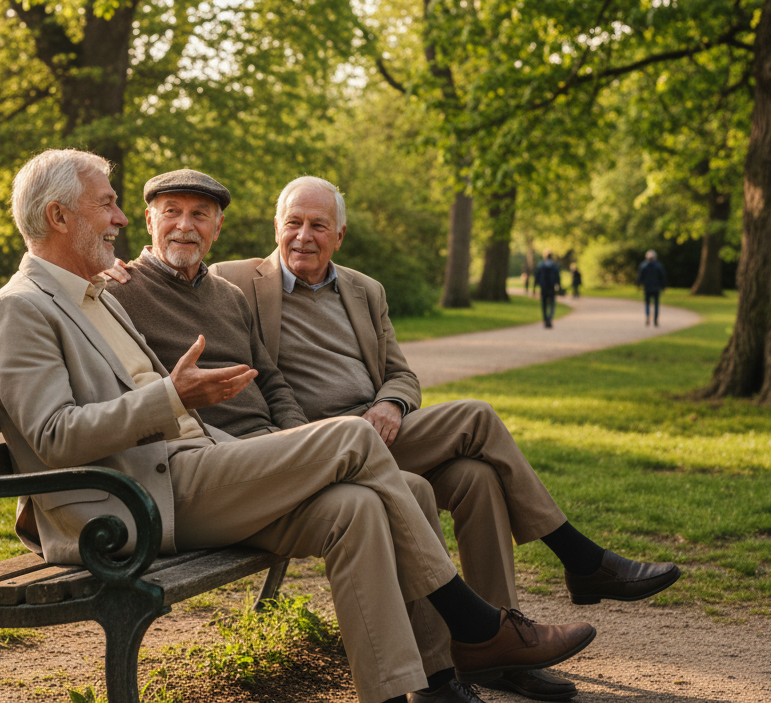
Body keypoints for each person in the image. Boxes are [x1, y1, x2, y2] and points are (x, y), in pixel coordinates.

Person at [0, 151, 595, 703]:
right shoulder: (21, 306)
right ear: (59, 217)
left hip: (198, 466)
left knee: (358, 505)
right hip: (139, 500)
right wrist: (171, 397)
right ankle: (478, 623)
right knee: (352, 435)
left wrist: (205, 413)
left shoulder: (97, 295)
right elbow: (53, 435)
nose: (119, 218)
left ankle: (419, 687)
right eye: (109, 205)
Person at [211, 177, 682, 702]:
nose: (303, 236)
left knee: (476, 455)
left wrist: (391, 404)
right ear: (275, 226)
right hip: (320, 449)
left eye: (318, 225)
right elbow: (195, 303)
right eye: (293, 223)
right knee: (474, 445)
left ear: (339, 235)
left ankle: (501, 651)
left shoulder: (366, 291)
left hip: (385, 431)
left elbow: (402, 375)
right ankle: (572, 566)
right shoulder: (234, 281)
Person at [637, 250, 668, 326]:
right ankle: (655, 320)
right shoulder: (658, 266)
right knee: (656, 304)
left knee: (647, 303)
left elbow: (640, 277)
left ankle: (648, 317)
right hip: (656, 288)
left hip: (647, 288)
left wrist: (638, 284)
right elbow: (662, 277)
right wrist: (663, 286)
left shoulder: (643, 265)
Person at [533, 251, 562, 328]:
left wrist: (534, 288)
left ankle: (545, 319)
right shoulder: (554, 265)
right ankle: (549, 318)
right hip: (551, 287)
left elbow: (536, 276)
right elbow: (558, 277)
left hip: (543, 287)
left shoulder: (540, 265)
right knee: (552, 304)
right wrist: (559, 286)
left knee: (544, 304)